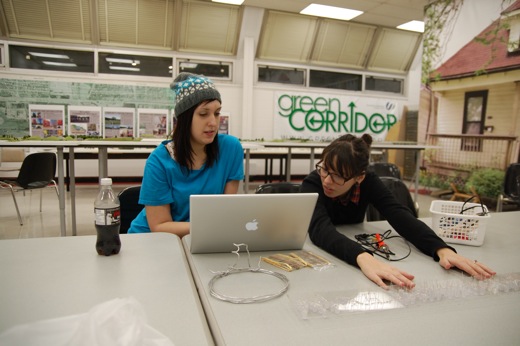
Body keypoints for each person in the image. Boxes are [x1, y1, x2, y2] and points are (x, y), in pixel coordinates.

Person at [300, 133, 495, 289]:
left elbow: (399, 215)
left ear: (359, 177)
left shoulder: (368, 182)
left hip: (351, 239)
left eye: (338, 176)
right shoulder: (313, 183)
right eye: (324, 169)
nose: (326, 180)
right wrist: (363, 257)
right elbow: (320, 230)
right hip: (324, 256)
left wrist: (440, 248)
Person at [128, 73, 244, 236]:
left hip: (201, 237)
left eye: (217, 113)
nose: (213, 122)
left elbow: (225, 210)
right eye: (203, 114)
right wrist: (210, 228)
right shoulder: (159, 161)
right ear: (185, 118)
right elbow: (159, 226)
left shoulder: (231, 149)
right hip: (153, 240)